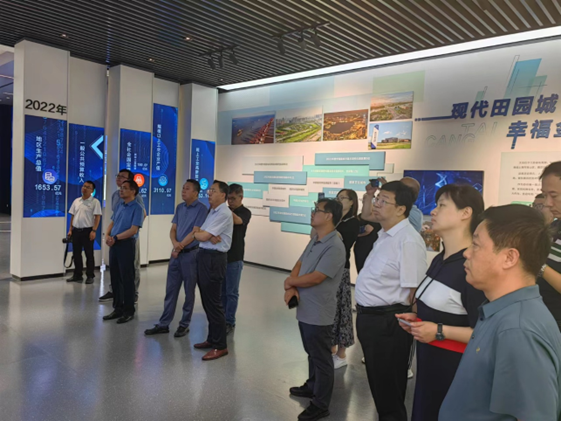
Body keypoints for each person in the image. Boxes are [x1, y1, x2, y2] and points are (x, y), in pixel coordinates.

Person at [439, 204, 561, 421]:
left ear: (509, 258)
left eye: (476, 245)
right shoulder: (500, 310)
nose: (466, 252)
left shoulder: (518, 330)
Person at [396, 184, 486, 421]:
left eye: (442, 205)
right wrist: (419, 320)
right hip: (429, 364)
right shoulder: (440, 259)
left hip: (453, 370)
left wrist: (438, 330)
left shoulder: (471, 267)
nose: (433, 211)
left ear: (466, 213)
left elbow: (486, 333)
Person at [355, 181, 427, 421]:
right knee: (380, 387)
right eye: (377, 199)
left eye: (383, 201)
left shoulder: (408, 240)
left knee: (389, 393)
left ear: (401, 209)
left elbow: (415, 292)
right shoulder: (385, 234)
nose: (377, 204)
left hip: (389, 324)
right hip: (372, 321)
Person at [285, 198, 346, 421]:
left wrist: (290, 282)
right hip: (305, 307)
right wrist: (292, 284)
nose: (313, 213)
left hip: (319, 312)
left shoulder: (335, 246)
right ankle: (312, 386)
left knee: (321, 357)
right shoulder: (316, 239)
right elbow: (300, 264)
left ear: (328, 216)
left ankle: (321, 404)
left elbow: (317, 277)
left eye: (317, 210)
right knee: (312, 352)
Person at [144, 180, 208, 338]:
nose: (183, 191)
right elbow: (173, 229)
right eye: (183, 188)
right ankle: (164, 324)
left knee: (189, 292)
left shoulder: (201, 209)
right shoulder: (180, 207)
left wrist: (179, 247)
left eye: (187, 189)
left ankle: (184, 324)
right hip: (176, 254)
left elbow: (195, 232)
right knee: (170, 290)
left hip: (190, 255)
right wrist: (175, 244)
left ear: (196, 193)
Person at [192, 180, 234, 361]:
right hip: (205, 256)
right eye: (210, 190)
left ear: (223, 195)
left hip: (214, 259)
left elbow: (201, 234)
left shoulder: (224, 213)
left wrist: (201, 234)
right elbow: (203, 233)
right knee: (207, 302)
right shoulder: (213, 211)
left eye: (213, 191)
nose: (209, 193)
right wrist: (204, 235)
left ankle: (220, 346)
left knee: (214, 303)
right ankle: (212, 338)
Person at [99, 169, 146, 303]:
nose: (119, 178)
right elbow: (115, 218)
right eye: (118, 176)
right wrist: (109, 235)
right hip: (116, 238)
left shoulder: (136, 198)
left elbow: (142, 214)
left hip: (129, 237)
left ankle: (133, 293)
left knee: (131, 267)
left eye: (123, 177)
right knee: (115, 268)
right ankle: (115, 292)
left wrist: (132, 230)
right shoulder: (116, 195)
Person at [331, 189, 360, 369]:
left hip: (341, 269)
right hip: (328, 268)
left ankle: (341, 354)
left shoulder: (352, 222)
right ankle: (331, 349)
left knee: (342, 311)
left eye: (343, 198)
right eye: (338, 197)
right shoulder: (334, 219)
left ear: (352, 202)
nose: (339, 200)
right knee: (330, 311)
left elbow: (342, 241)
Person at [223, 183, 252, 335]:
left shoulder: (245, 212)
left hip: (235, 257)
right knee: (221, 291)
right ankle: (221, 318)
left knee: (231, 292)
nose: (230, 201)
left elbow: (238, 221)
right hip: (221, 256)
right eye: (228, 198)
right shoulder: (225, 210)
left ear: (241, 197)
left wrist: (223, 209)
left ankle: (229, 321)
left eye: (233, 198)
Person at [537, 162, 561, 330]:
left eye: (554, 196)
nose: (548, 203)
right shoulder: (554, 226)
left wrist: (540, 267)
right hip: (544, 321)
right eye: (545, 195)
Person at [66, 180, 102, 284]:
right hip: (76, 231)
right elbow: (73, 216)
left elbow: (97, 217)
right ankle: (77, 275)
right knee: (76, 254)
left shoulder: (95, 202)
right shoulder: (76, 201)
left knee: (89, 254)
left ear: (92, 190)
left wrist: (94, 230)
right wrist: (70, 229)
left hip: (88, 231)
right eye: (84, 186)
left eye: (88, 187)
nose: (84, 188)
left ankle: (90, 275)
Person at [354, 194, 381, 274]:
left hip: (372, 249)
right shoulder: (359, 217)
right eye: (364, 200)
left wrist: (358, 233)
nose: (365, 202)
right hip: (360, 249)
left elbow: (368, 230)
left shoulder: (377, 217)